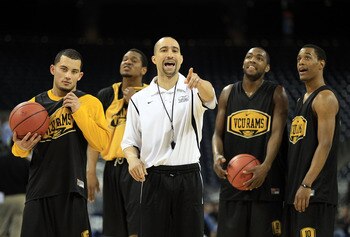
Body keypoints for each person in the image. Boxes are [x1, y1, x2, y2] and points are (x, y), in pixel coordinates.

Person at [121, 36, 217, 237]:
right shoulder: (139, 99)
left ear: (180, 58)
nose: (170, 53)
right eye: (164, 50)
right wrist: (132, 160)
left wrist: (199, 83)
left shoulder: (193, 89)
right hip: (153, 177)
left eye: (175, 50)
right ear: (155, 59)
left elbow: (211, 98)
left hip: (188, 176)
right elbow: (130, 142)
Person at [11, 48, 111, 237]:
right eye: (63, 69)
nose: (68, 76)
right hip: (38, 191)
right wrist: (21, 147)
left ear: (80, 75)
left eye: (74, 72)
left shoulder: (89, 102)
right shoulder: (34, 105)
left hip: (72, 190)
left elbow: (102, 143)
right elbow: (18, 150)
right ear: (52, 69)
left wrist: (78, 111)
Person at [212, 47, 289, 237]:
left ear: (267, 67)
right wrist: (216, 156)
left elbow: (277, 134)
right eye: (248, 57)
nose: (252, 60)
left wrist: (266, 166)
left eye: (259, 58)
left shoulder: (277, 93)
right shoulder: (227, 92)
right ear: (243, 63)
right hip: (233, 184)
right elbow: (217, 134)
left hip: (265, 184)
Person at [86, 48, 148, 237]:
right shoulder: (106, 95)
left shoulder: (152, 94)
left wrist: (134, 105)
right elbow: (95, 137)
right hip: (112, 168)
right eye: (124, 59)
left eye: (134, 60)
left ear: (144, 70)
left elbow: (157, 133)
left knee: (138, 228)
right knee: (114, 230)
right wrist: (90, 171)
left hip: (140, 168)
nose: (127, 62)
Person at [282, 44, 340, 237]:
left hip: (314, 193)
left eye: (307, 57)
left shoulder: (325, 97)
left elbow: (325, 144)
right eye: (299, 59)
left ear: (321, 64)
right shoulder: (301, 101)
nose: (301, 62)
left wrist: (307, 185)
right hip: (297, 194)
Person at [0, 119, 29, 237]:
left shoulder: (1, 161)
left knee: (2, 229)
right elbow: (30, 182)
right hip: (21, 199)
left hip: (4, 198)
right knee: (17, 231)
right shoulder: (25, 162)